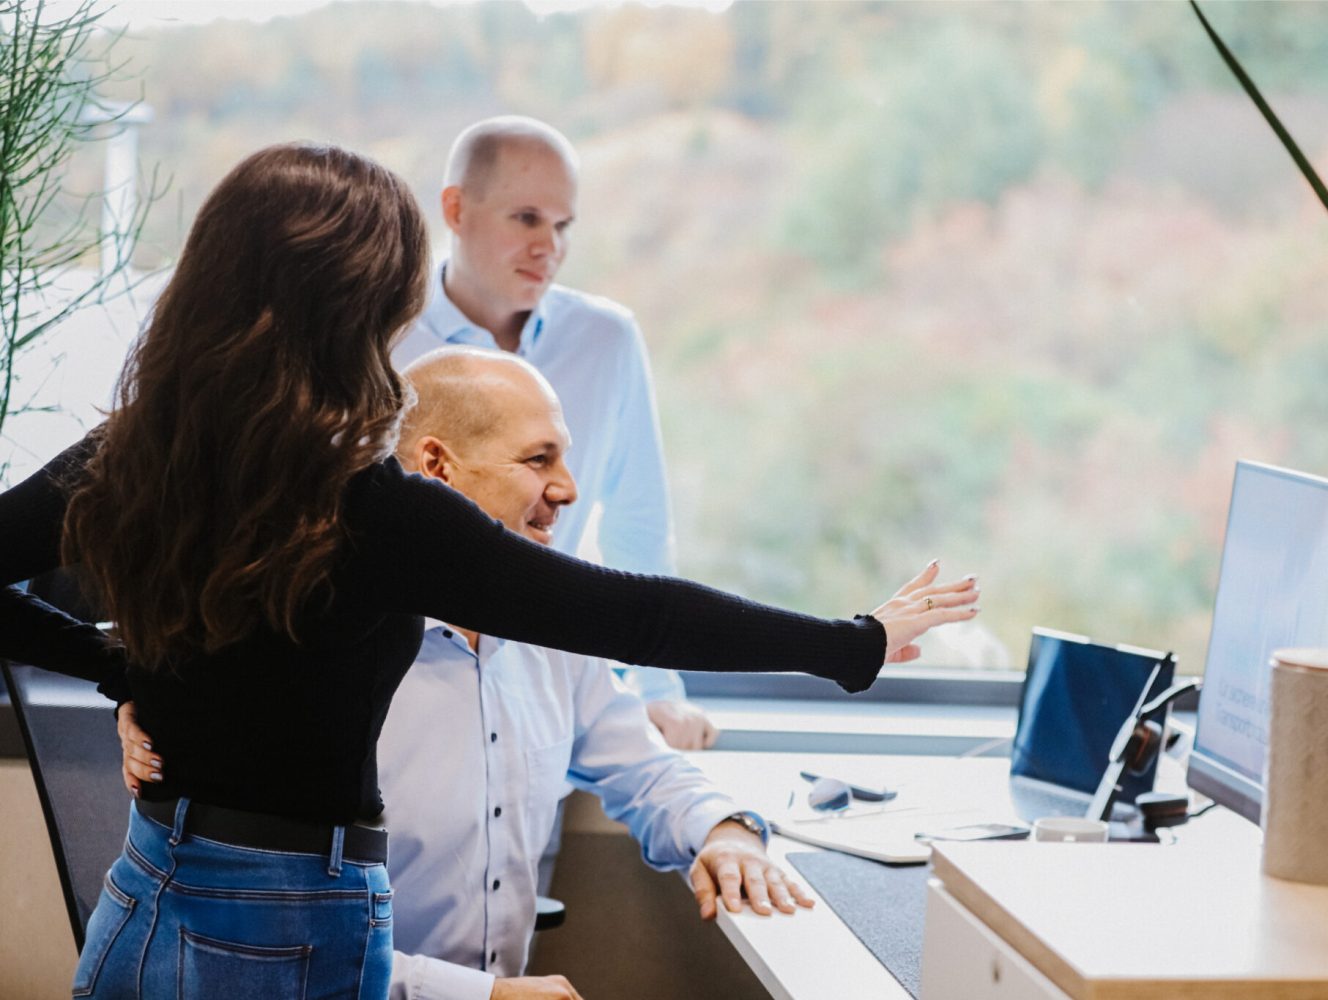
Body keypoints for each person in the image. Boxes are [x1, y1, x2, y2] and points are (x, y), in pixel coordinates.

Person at [0, 142, 977, 999]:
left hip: (145, 892)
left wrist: (115, 669)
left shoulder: (132, 453)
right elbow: (630, 614)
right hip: (290, 916)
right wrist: (851, 644)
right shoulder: (368, 509)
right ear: (359, 311)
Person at [121, 349, 813, 1000]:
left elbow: (644, 767)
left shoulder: (550, 634)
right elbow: (265, 936)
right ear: (436, 467)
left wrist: (723, 830)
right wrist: (476, 994)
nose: (569, 489)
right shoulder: (317, 658)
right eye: (539, 459)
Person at [390, 116, 714, 751]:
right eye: (527, 219)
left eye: (562, 226)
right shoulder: (384, 335)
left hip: (550, 684)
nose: (550, 247)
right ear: (455, 209)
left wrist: (656, 691)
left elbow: (638, 525)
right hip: (410, 685)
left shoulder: (606, 340)